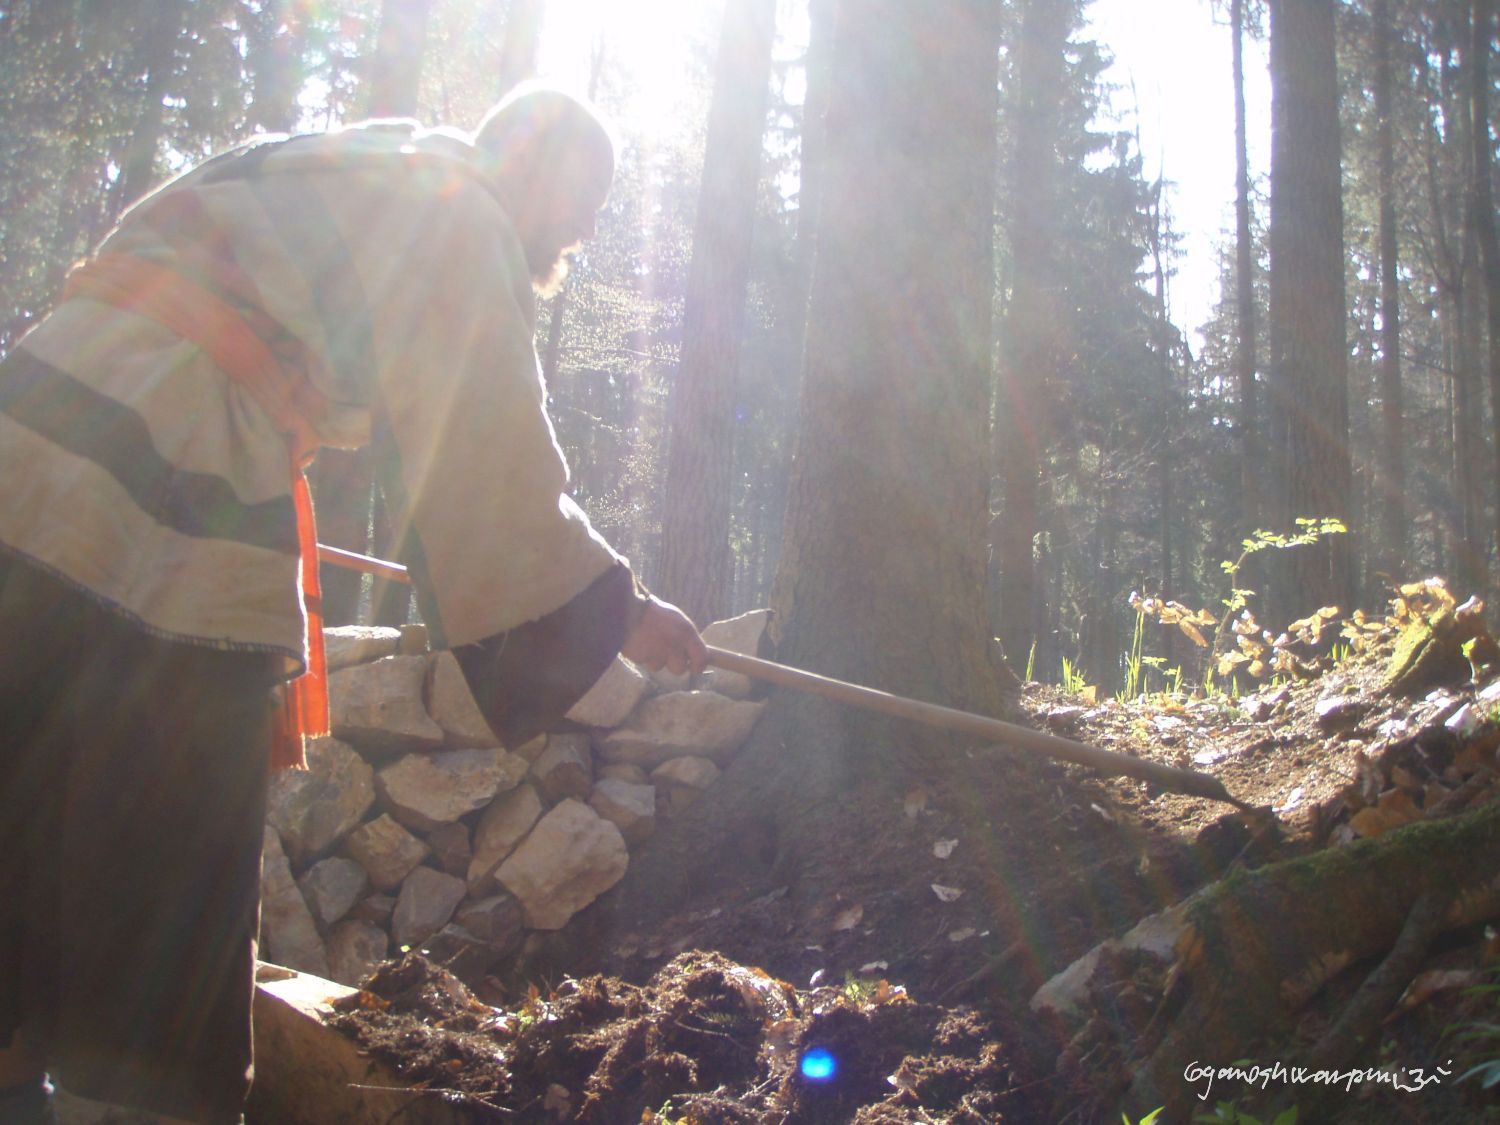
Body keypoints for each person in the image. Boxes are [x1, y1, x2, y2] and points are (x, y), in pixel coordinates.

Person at [0, 84, 706, 1125]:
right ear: (522, 153)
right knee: (168, 861)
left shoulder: (336, 166)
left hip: (29, 444)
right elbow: (487, 456)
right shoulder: (455, 207)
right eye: (582, 193)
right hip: (164, 504)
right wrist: (624, 612)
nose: (586, 227)